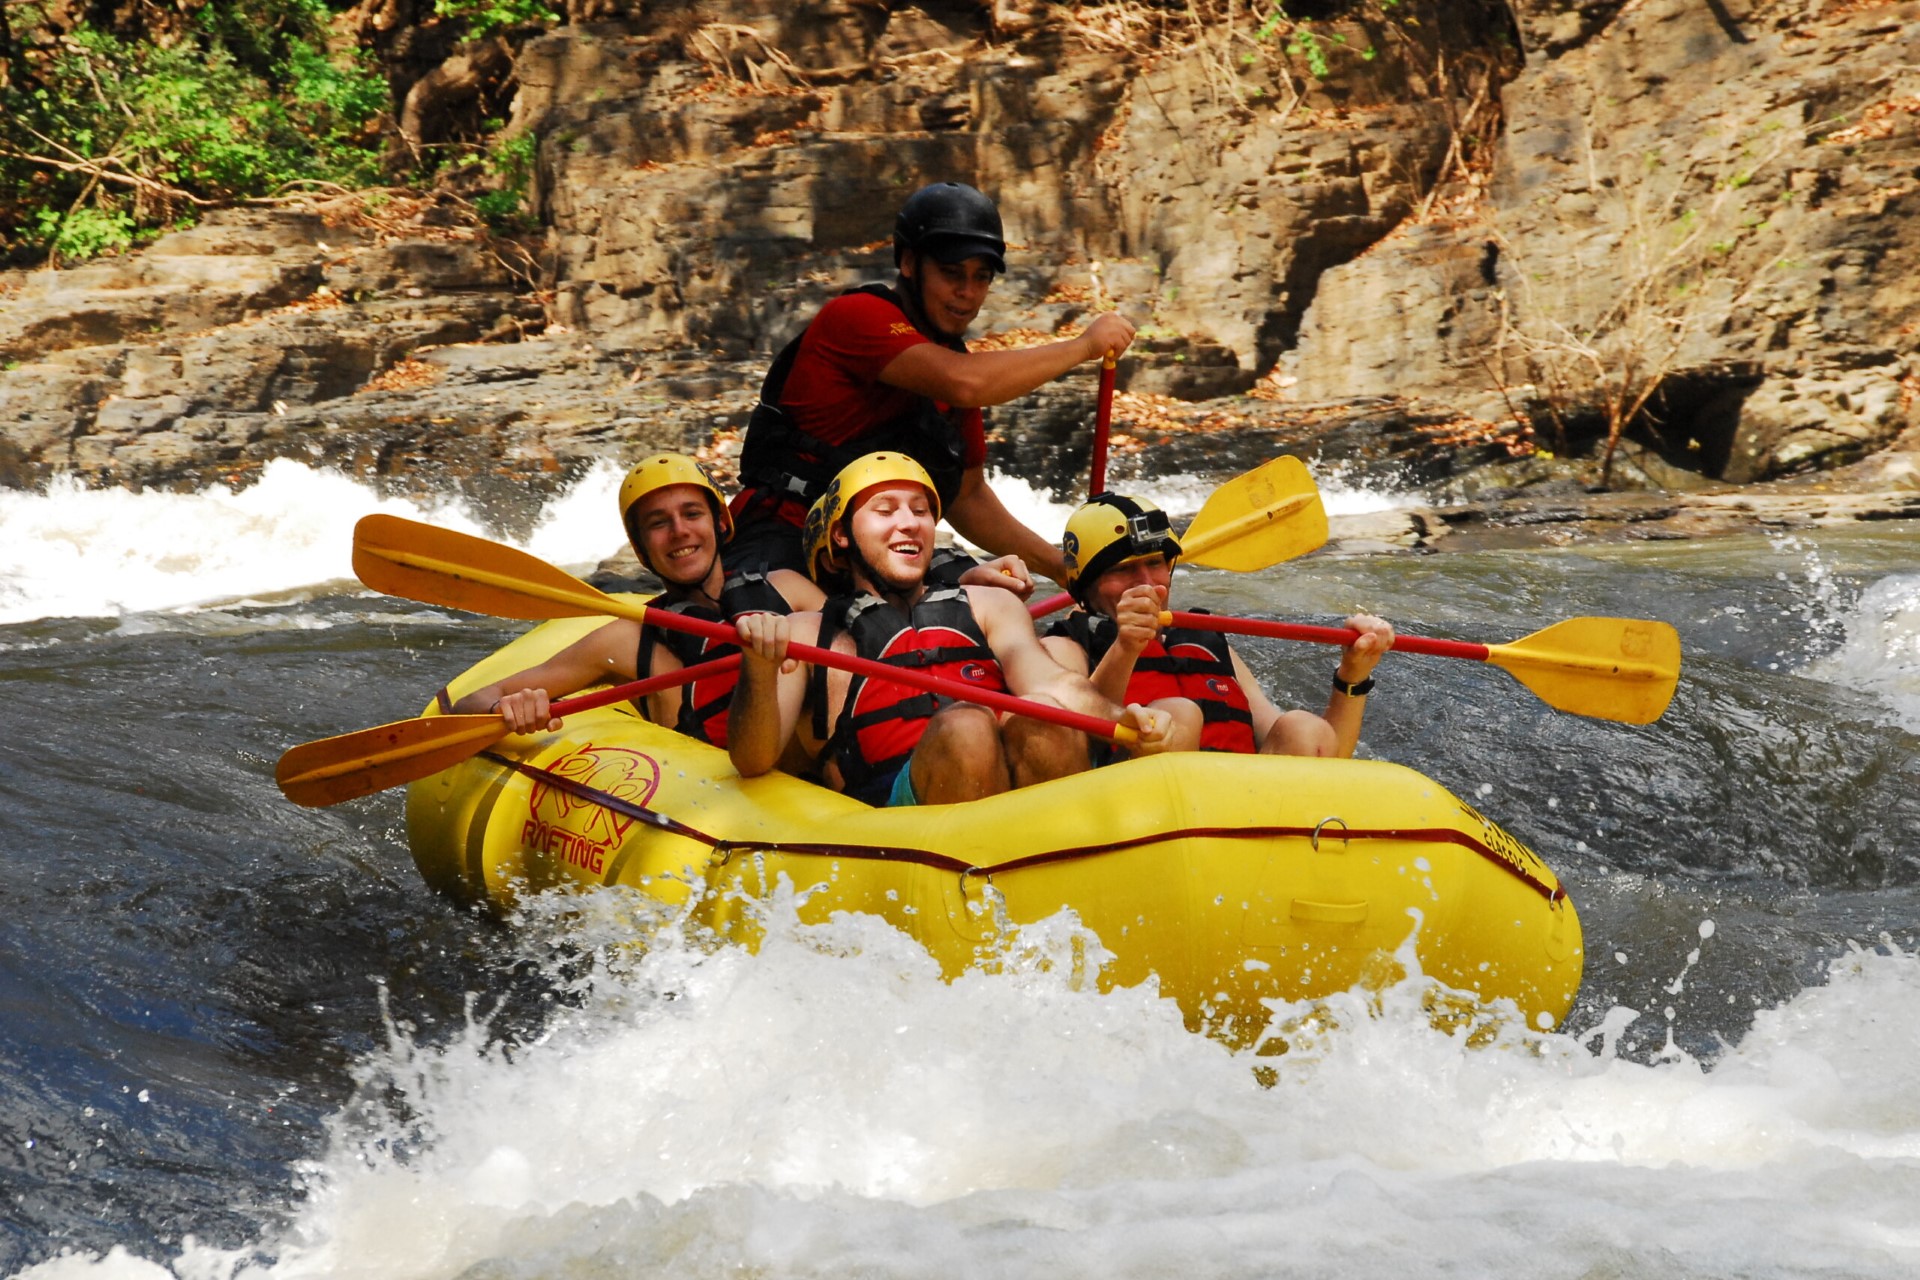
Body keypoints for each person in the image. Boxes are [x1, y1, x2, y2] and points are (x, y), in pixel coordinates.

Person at [727, 180, 1136, 584]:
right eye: (951, 273)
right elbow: (965, 384)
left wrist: (1068, 570)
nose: (967, 293)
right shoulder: (856, 316)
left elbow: (969, 499)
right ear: (908, 264)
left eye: (981, 277)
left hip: (870, 557)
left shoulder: (953, 365)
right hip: (781, 536)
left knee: (989, 595)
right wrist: (1084, 346)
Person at [726, 453, 1175, 805]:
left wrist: (1120, 717)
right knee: (966, 727)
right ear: (842, 535)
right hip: (891, 815)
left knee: (1042, 711)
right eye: (885, 510)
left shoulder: (989, 605)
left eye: (920, 510)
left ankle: (1068, 864)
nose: (908, 521)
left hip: (1005, 795)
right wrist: (759, 670)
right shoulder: (806, 633)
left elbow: (1053, 682)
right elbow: (753, 760)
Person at [448, 453, 824, 748]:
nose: (679, 531)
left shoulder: (789, 590)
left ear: (720, 524)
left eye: (692, 514)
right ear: (641, 547)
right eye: (658, 523)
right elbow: (469, 705)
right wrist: (506, 708)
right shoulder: (627, 640)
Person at [1041, 494, 1395, 760]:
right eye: (1122, 569)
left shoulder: (1203, 639)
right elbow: (1075, 744)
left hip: (1241, 808)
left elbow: (1324, 752)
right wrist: (1126, 646)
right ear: (1086, 585)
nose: (1147, 583)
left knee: (1304, 727)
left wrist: (1353, 674)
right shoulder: (1065, 644)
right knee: (1177, 714)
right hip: (1147, 817)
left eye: (1155, 563)